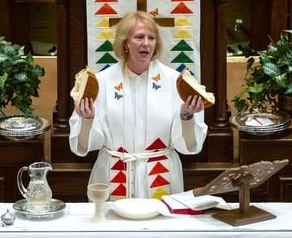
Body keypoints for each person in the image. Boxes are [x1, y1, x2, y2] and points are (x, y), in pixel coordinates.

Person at [69, 11, 208, 200]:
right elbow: (84, 146)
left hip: (161, 175)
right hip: (115, 173)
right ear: (125, 42)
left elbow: (188, 147)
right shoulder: (102, 82)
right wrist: (87, 120)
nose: (146, 43)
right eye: (139, 37)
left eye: (151, 38)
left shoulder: (175, 81)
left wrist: (187, 117)